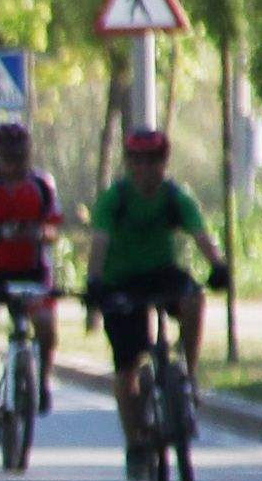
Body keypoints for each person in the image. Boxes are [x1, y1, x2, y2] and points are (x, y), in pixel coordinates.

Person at [84, 125, 227, 438]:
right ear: (129, 163)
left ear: (165, 162)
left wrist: (217, 265)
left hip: (161, 273)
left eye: (153, 161)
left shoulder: (175, 197)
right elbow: (99, 242)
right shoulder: (115, 199)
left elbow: (200, 234)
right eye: (138, 161)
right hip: (120, 281)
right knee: (126, 369)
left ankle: (188, 373)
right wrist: (94, 281)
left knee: (193, 297)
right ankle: (135, 440)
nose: (146, 168)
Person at [0, 119, 65, 408]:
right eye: (7, 157)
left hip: (34, 272)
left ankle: (42, 381)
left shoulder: (42, 184)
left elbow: (55, 230)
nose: (13, 164)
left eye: (18, 157)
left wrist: (39, 233)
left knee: (45, 325)